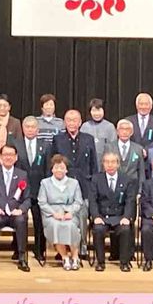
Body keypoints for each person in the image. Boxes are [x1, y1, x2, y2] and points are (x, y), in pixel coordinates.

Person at [51, 110, 97, 257]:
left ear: (80, 122)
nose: (72, 123)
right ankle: (63, 249)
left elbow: (94, 164)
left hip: (84, 186)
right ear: (65, 122)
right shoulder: (58, 139)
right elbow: (53, 164)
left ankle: (82, 246)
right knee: (63, 217)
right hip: (63, 186)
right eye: (69, 120)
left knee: (82, 216)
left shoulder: (88, 139)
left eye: (74, 120)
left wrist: (93, 185)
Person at [0, 144, 30, 272]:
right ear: (0, 157)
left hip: (15, 212)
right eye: (5, 155)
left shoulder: (22, 175)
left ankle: (22, 257)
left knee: (21, 220)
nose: (8, 157)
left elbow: (27, 199)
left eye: (11, 155)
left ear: (16, 157)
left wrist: (21, 209)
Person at [88, 151, 136, 272]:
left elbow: (130, 201)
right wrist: (96, 216)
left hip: (120, 217)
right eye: (107, 162)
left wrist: (126, 217)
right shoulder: (96, 179)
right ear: (103, 164)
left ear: (118, 164)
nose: (110, 165)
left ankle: (124, 262)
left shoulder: (127, 179)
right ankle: (100, 262)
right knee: (98, 229)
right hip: (102, 216)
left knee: (125, 229)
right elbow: (92, 200)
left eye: (113, 162)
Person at [38, 155, 84, 270]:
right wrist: (54, 213)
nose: (59, 170)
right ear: (52, 169)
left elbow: (78, 201)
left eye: (62, 168)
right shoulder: (45, 183)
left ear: (66, 170)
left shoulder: (74, 183)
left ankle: (75, 256)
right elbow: (42, 202)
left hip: (69, 214)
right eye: (56, 167)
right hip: (52, 215)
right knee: (56, 225)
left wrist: (70, 212)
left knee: (71, 225)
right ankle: (64, 257)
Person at [15, 116, 48, 262]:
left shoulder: (45, 145)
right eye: (27, 127)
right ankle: (18, 250)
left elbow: (48, 169)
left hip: (38, 189)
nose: (30, 129)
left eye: (33, 127)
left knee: (39, 222)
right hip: (19, 190)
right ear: (23, 128)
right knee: (18, 219)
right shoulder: (15, 144)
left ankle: (39, 250)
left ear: (37, 129)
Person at [80, 98, 117, 163]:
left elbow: (113, 147)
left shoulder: (109, 126)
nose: (97, 113)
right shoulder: (85, 126)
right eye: (94, 110)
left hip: (105, 162)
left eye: (99, 110)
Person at [115, 119, 146, 186]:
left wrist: (141, 189)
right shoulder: (109, 147)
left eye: (127, 129)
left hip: (133, 186)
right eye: (122, 129)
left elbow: (141, 172)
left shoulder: (138, 149)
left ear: (131, 132)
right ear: (117, 131)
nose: (124, 132)